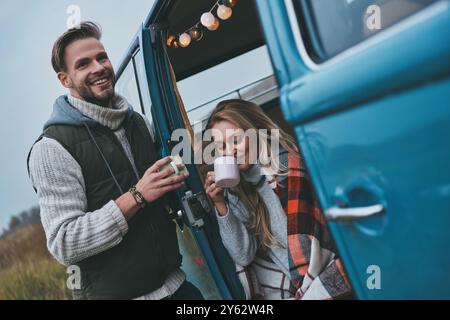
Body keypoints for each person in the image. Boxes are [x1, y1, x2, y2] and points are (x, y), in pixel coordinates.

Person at [27, 21, 203, 300]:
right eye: (83, 64)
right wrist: (136, 196)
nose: (98, 67)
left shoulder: (139, 123)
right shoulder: (51, 149)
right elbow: (65, 243)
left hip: (178, 287)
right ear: (65, 80)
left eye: (102, 57)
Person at [203, 99, 353, 300]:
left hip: (333, 275)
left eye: (236, 140)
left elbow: (313, 245)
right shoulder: (237, 193)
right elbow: (243, 255)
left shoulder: (286, 168)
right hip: (303, 290)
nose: (230, 151)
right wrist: (221, 204)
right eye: (221, 147)